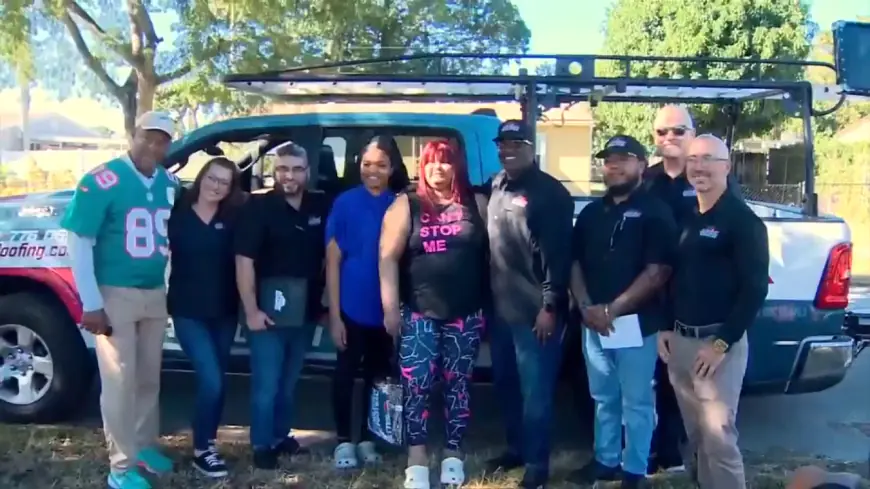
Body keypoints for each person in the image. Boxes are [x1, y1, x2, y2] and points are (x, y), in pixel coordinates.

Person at [62, 111, 180, 489]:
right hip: (115, 292)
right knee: (119, 380)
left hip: (152, 292)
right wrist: (91, 301)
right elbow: (80, 242)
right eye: (148, 136)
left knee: (148, 377)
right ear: (134, 134)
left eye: (162, 140)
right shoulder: (102, 180)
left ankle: (144, 445)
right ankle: (121, 466)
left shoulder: (168, 182)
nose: (153, 145)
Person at [567, 135, 678, 489]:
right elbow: (573, 263)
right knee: (603, 397)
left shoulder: (655, 210)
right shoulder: (591, 213)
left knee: (638, 401)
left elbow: (658, 271)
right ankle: (606, 461)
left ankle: (635, 470)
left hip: (635, 324)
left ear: (642, 165)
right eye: (608, 159)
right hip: (593, 324)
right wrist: (586, 307)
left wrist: (612, 309)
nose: (613, 166)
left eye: (623, 159)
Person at [660, 134, 769, 489]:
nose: (699, 166)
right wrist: (665, 328)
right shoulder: (690, 218)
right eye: (693, 159)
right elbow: (676, 278)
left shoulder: (743, 222)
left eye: (708, 158)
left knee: (718, 438)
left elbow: (755, 289)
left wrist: (721, 343)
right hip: (681, 342)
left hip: (717, 345)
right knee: (696, 436)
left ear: (726, 166)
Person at [379, 139, 489, 489]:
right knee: (418, 385)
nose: (437, 168)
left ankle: (453, 454)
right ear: (421, 167)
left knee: (458, 385)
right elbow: (387, 259)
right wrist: (390, 309)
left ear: (456, 166)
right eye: (430, 162)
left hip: (466, 313)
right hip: (418, 313)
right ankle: (417, 459)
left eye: (445, 162)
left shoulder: (477, 203)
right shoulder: (406, 204)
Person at [484, 120, 574, 489]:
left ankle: (538, 465)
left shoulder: (549, 193)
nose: (508, 149)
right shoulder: (495, 185)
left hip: (536, 313)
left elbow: (559, 256)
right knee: (506, 384)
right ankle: (516, 449)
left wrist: (550, 306)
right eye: (503, 144)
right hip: (501, 311)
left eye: (517, 143)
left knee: (535, 393)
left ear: (531, 147)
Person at [234, 142, 330, 469]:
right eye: (283, 169)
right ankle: (262, 445)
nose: (289, 175)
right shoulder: (258, 208)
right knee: (267, 384)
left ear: (307, 171)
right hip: (266, 313)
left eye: (296, 169)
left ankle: (280, 436)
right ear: (274, 171)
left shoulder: (320, 205)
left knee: (288, 383)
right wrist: (251, 311)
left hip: (304, 311)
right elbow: (244, 262)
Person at [167, 157, 246, 477]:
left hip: (224, 311)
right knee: (211, 379)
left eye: (224, 182)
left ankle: (208, 443)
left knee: (217, 381)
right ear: (201, 177)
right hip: (187, 311)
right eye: (212, 178)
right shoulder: (177, 211)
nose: (216, 186)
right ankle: (202, 449)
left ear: (231, 189)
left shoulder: (235, 216)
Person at [326, 136, 398, 469]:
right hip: (351, 305)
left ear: (392, 168)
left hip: (384, 308)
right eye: (367, 164)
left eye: (381, 165)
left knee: (378, 374)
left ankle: (369, 437)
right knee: (344, 373)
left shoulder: (399, 204)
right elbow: (333, 260)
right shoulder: (345, 202)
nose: (373, 171)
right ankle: (343, 441)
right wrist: (335, 315)